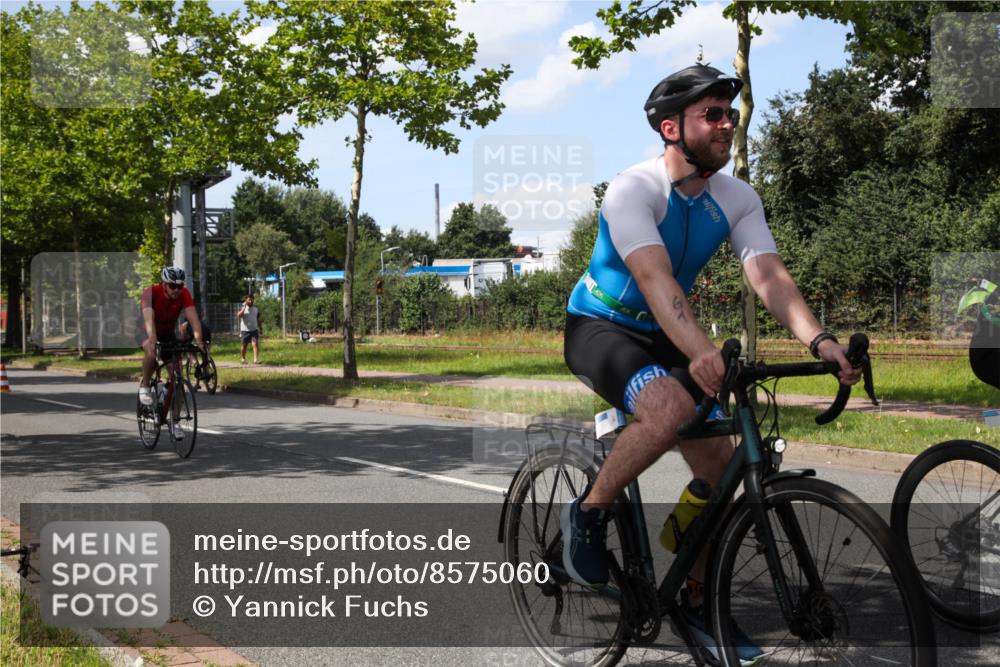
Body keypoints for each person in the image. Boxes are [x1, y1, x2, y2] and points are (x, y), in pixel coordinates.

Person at [560, 64, 861, 664]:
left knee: (720, 469)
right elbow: (654, 277)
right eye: (712, 115)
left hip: (670, 328)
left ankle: (694, 596)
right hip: (604, 326)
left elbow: (768, 276)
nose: (728, 124)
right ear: (672, 128)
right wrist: (700, 352)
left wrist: (819, 341)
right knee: (668, 408)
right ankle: (587, 514)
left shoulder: (737, 196)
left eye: (731, 113)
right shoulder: (633, 190)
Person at [137, 267, 205, 406]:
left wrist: (199, 342)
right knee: (151, 353)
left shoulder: (184, 294)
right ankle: (145, 386)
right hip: (145, 331)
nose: (176, 290)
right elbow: (149, 320)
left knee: (178, 378)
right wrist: (153, 340)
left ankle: (175, 421)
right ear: (164, 284)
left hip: (167, 334)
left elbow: (194, 319)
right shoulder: (151, 293)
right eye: (173, 286)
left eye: (179, 286)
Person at [238, 294, 262, 364]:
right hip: (244, 330)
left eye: (252, 299)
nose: (251, 301)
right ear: (246, 300)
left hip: (254, 330)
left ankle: (255, 359)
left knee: (255, 344)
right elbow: (239, 315)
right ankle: (243, 358)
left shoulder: (256, 309)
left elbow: (258, 319)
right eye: (249, 299)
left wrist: (260, 328)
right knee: (244, 346)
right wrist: (244, 307)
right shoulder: (243, 307)